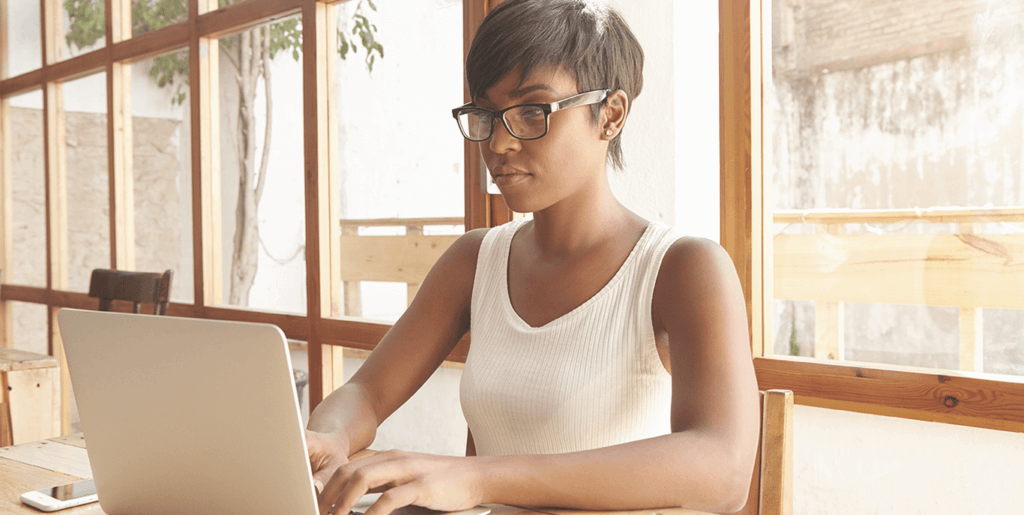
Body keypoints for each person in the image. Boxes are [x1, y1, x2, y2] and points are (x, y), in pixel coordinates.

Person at [305, 1, 759, 514]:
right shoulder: (475, 260)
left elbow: (724, 470)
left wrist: (478, 480)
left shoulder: (683, 268)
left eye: (530, 111)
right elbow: (367, 392)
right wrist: (328, 436)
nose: (498, 142)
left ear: (610, 115)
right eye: (486, 114)